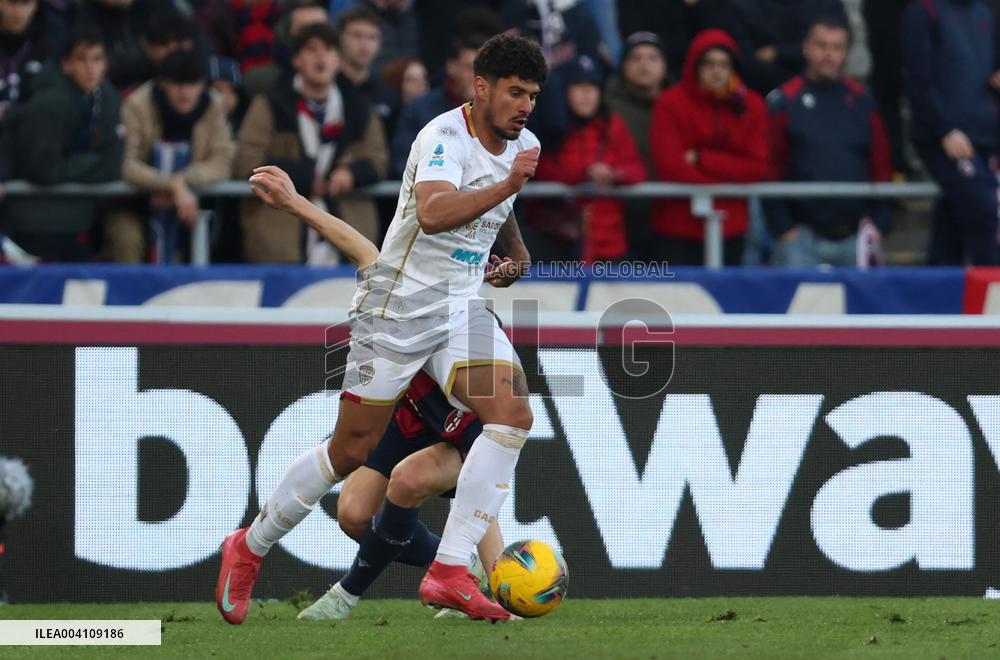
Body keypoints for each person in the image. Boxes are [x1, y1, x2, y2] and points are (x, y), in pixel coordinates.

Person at [216, 33, 547, 624]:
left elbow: (502, 212)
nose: (525, 106)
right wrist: (510, 184)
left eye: (533, 95)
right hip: (398, 306)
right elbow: (435, 213)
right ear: (481, 87)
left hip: (460, 308)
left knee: (514, 414)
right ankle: (250, 545)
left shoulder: (521, 146)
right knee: (352, 450)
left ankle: (449, 573)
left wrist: (515, 255)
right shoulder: (442, 136)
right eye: (515, 92)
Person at [215, 164, 503, 623]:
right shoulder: (395, 282)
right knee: (351, 512)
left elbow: (489, 462)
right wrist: (296, 203)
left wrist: (502, 585)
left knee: (426, 479)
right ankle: (250, 545)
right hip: (405, 416)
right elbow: (360, 246)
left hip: (455, 429)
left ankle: (469, 580)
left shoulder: (474, 335)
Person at [234, 22, 387, 262]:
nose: (321, 57)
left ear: (339, 60)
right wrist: (304, 179)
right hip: (281, 244)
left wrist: (353, 173)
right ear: (296, 60)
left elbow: (379, 158)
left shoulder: (360, 109)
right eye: (311, 49)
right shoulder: (270, 104)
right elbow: (247, 160)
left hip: (348, 246)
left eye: (328, 50)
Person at [766, 16, 893, 267]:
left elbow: (881, 166)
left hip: (856, 237)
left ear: (846, 52)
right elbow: (770, 167)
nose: (828, 54)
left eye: (836, 47)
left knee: (868, 306)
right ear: (806, 47)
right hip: (801, 238)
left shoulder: (862, 102)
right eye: (821, 46)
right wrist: (783, 228)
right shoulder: (784, 101)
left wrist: (880, 224)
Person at [0, 24, 122, 261]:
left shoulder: (109, 98)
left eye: (97, 59)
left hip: (77, 221)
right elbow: (41, 169)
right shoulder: (50, 104)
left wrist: (80, 164)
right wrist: (92, 161)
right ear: (66, 64)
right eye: (81, 60)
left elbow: (113, 164)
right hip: (33, 225)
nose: (90, 69)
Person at [649, 29, 769, 265]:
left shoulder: (752, 105)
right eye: (709, 64)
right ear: (695, 65)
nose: (716, 71)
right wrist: (729, 181)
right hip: (677, 229)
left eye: (724, 64)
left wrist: (703, 159)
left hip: (731, 228)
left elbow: (756, 167)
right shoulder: (670, 103)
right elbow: (670, 167)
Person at [522, 55, 646, 263]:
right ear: (564, 91)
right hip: (558, 243)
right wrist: (584, 174)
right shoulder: (550, 126)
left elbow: (638, 170)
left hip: (610, 246)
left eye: (593, 86)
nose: (587, 94)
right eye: (578, 86)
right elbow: (539, 171)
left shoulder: (613, 125)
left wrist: (615, 175)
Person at [903, 0, 1000, 266]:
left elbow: (986, 73)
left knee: (951, 224)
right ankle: (992, 296)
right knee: (985, 213)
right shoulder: (924, 11)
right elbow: (916, 79)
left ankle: (939, 297)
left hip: (983, 136)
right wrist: (944, 129)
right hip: (946, 138)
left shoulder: (985, 12)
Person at [117, 50, 236, 263]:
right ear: (163, 83)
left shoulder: (214, 106)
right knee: (127, 240)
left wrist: (183, 180)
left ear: (203, 85)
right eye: (177, 84)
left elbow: (223, 161)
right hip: (136, 204)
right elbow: (126, 163)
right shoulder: (137, 105)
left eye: (192, 84)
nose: (185, 92)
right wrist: (169, 185)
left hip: (194, 204)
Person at [604, 31, 669, 260]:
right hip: (622, 221)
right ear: (623, 65)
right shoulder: (606, 108)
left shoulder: (677, 106)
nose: (644, 64)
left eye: (652, 58)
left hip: (669, 220)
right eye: (636, 58)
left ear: (665, 66)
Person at [389, 34, 480, 177]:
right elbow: (402, 163)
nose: (476, 76)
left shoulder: (496, 112)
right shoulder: (418, 110)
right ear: (451, 67)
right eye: (469, 68)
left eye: (482, 70)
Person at [721, 0, 848, 95]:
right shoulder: (742, 6)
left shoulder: (825, 4)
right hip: (760, 90)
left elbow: (839, 42)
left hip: (820, 85)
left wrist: (779, 53)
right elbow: (745, 59)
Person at [241, 0, 328, 100]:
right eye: (305, 29)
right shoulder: (261, 82)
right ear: (288, 32)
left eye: (320, 28)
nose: (314, 36)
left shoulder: (343, 79)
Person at [617, 0, 727, 77]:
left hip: (698, 61)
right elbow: (636, 35)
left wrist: (697, 5)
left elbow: (720, 33)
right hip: (659, 62)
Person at [336, 4, 399, 136]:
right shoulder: (326, 88)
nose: (365, 44)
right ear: (341, 39)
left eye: (372, 37)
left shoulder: (389, 95)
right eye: (357, 36)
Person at [0, 0, 56, 119]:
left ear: (35, 5)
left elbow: (50, 102)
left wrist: (10, 114)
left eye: (25, 3)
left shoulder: (46, 49)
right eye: (12, 2)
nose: (18, 12)